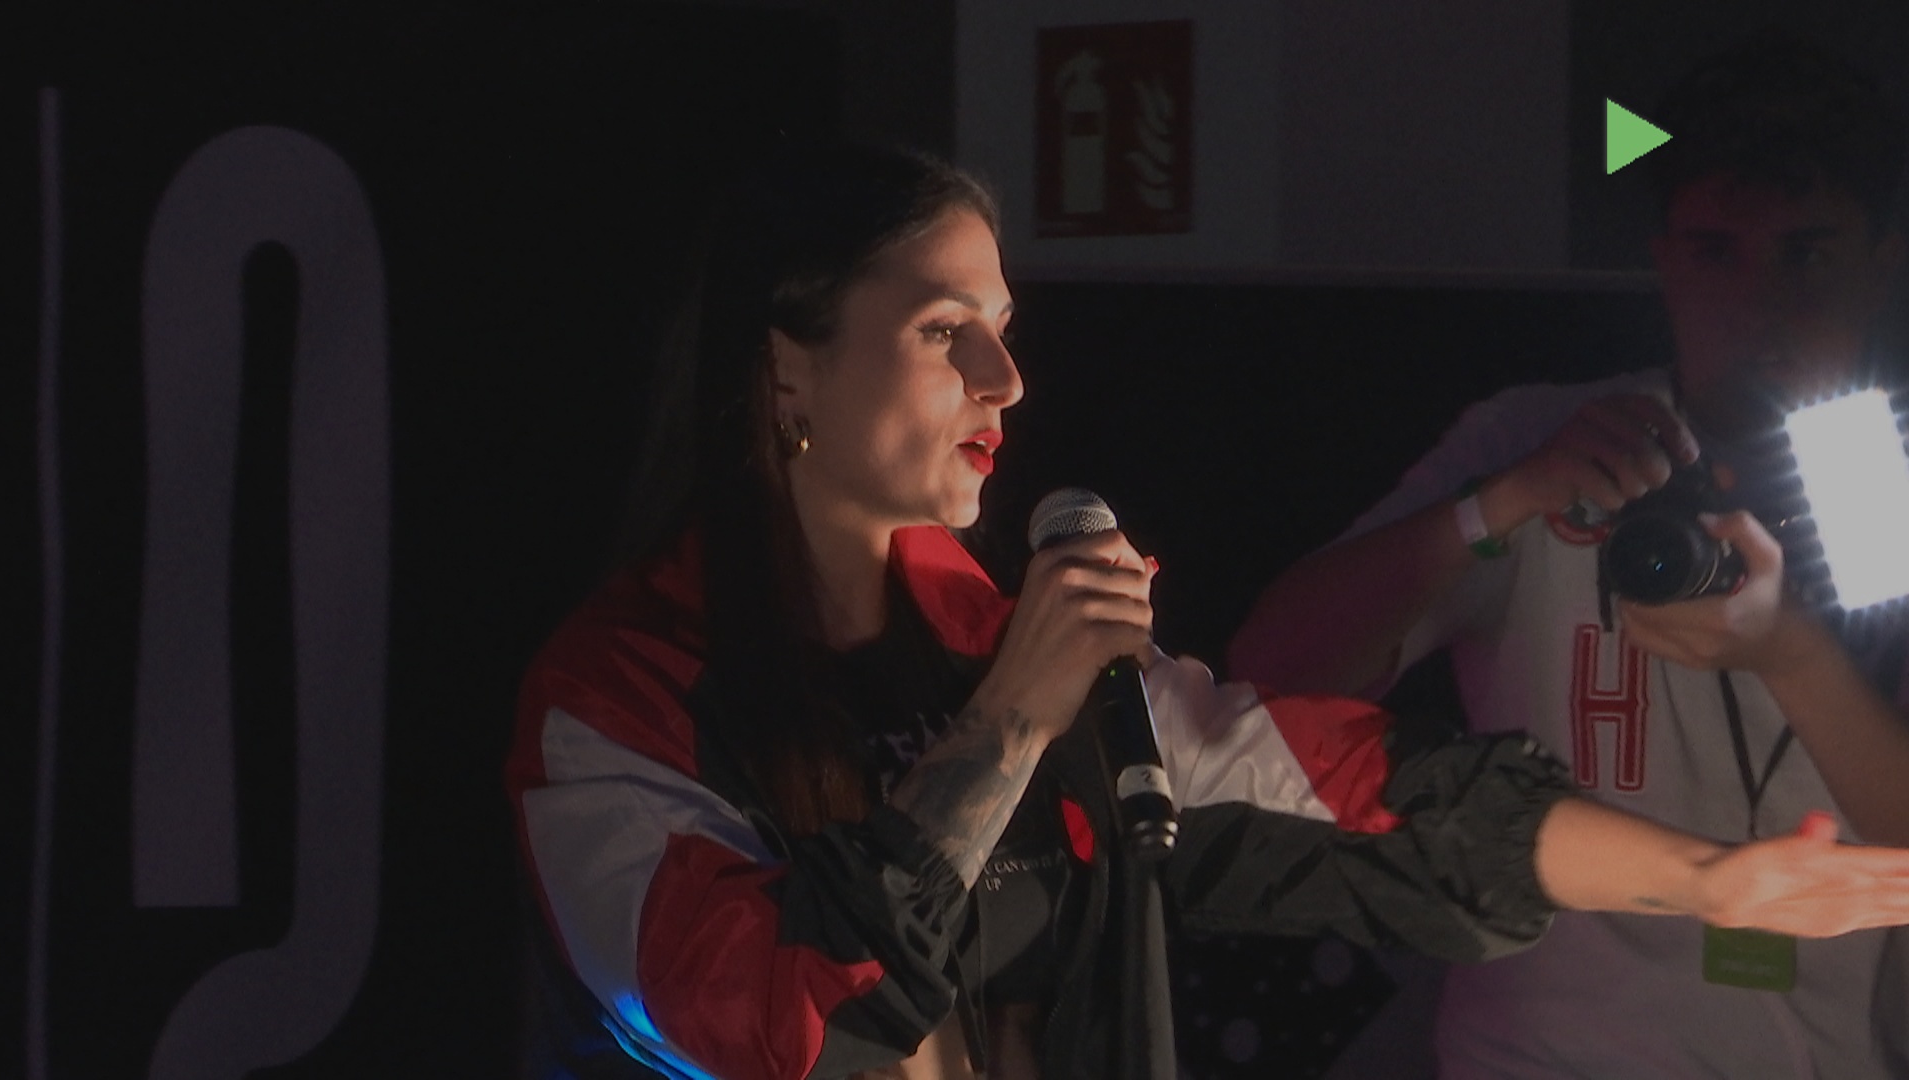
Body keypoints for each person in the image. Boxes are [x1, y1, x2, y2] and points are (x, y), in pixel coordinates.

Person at [506, 142, 1909, 1080]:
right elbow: (762, 1017)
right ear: (786, 372)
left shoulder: (995, 639)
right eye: (945, 331)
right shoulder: (619, 697)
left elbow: (1360, 795)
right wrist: (1010, 720)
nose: (1006, 379)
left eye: (1005, 329)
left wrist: (1710, 880)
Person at [1229, 34, 1909, 1080]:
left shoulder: (1884, 475)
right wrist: (1496, 505)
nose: (1759, 302)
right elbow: (1270, 669)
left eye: (1806, 253)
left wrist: (1789, 651)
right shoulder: (1545, 439)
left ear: (1885, 256)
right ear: (1665, 258)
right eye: (1716, 251)